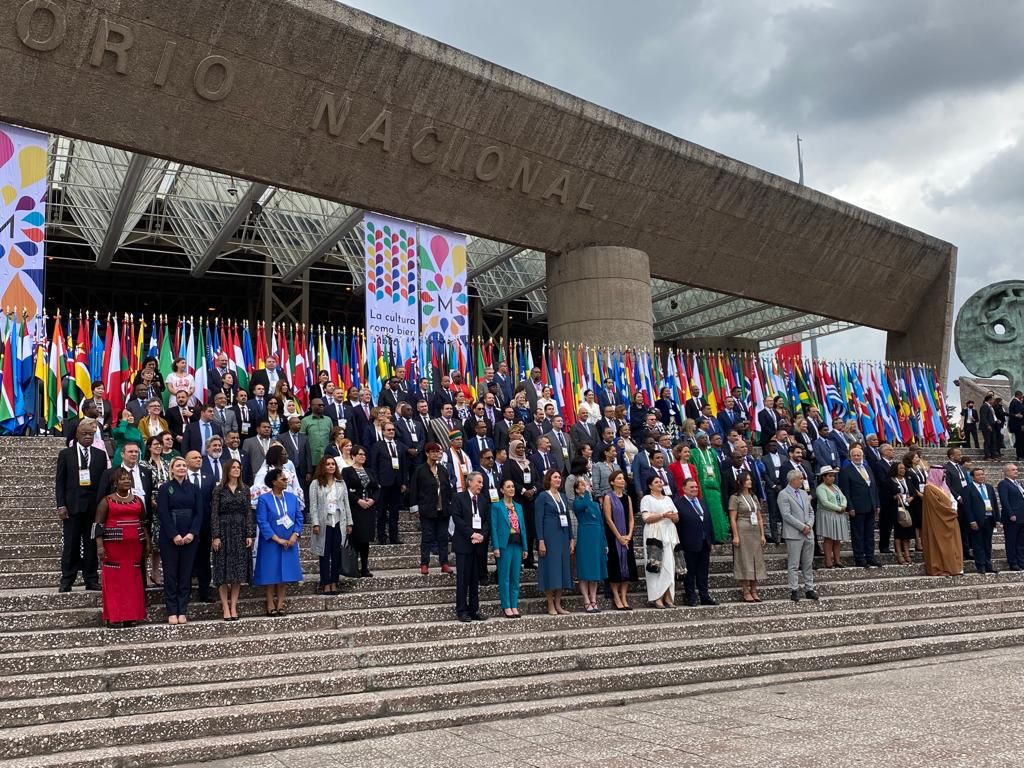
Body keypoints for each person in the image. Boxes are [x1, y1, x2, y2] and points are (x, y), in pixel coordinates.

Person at [55, 422, 107, 592]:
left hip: (93, 508)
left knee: (91, 543)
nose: (87, 437)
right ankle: (67, 579)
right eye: (84, 434)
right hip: (72, 506)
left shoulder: (99, 455)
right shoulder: (66, 454)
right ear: (77, 435)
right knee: (71, 543)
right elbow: (60, 482)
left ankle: (91, 578)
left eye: (90, 435)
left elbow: (103, 483)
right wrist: (61, 505)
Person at [94, 467, 147, 626]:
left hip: (134, 547)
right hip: (113, 547)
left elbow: (144, 523)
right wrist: (99, 546)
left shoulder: (138, 500)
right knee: (114, 582)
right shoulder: (107, 501)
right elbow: (97, 525)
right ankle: (114, 617)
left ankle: (131, 616)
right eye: (122, 479)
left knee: (132, 581)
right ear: (115, 482)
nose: (126, 481)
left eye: (128, 479)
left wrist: (148, 543)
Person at [156, 457, 202, 624]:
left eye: (184, 465)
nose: (182, 468)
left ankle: (182, 609)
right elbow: (163, 512)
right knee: (170, 574)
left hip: (189, 536)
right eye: (178, 466)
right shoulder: (165, 488)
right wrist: (174, 535)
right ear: (172, 469)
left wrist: (192, 533)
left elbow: (199, 513)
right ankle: (171, 610)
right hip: (170, 537)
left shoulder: (194, 488)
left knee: (185, 574)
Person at [253, 468, 304, 615]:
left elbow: (299, 518)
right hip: (271, 541)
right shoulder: (264, 499)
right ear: (274, 482)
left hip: (289, 541)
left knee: (285, 573)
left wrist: (295, 535)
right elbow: (262, 521)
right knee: (271, 573)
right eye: (283, 479)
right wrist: (277, 539)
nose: (286, 481)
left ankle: (281, 603)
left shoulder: (292, 498)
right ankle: (270, 602)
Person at [210, 458, 254, 620]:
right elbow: (214, 513)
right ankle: (225, 607)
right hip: (224, 531)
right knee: (223, 571)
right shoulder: (219, 490)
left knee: (237, 571)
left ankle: (234, 606)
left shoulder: (245, 489)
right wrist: (215, 536)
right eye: (233, 467)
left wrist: (250, 533)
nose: (236, 470)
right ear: (227, 470)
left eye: (238, 467)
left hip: (240, 531)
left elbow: (249, 512)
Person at [409, 443, 454, 575]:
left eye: (438, 451)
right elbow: (414, 490)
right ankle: (424, 563)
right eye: (433, 452)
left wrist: (451, 505)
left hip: (443, 510)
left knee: (443, 537)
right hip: (427, 509)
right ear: (427, 453)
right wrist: (414, 508)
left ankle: (444, 563)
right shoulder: (420, 470)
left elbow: (448, 489)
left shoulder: (443, 470)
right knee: (427, 537)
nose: (436, 454)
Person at [451, 472, 490, 622]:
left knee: (475, 580)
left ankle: (474, 609)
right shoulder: (459, 498)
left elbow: (486, 521)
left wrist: (482, 535)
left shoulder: (483, 500)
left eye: (482, 483)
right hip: (464, 544)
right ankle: (461, 610)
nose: (481, 485)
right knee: (463, 579)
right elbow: (457, 518)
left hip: (478, 545)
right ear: (470, 482)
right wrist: (471, 534)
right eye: (478, 482)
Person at [536, 469, 574, 615]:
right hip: (549, 536)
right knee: (551, 569)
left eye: (559, 477)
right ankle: (550, 604)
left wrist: (571, 538)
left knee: (563, 569)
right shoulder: (543, 496)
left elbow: (568, 518)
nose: (558, 479)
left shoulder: (563, 496)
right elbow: (538, 519)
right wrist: (541, 540)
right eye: (555, 477)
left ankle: (558, 604)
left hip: (563, 536)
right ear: (549, 479)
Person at [838, 445, 881, 568]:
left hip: (870, 506)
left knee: (870, 534)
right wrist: (849, 507)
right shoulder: (846, 470)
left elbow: (873, 487)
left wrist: (877, 504)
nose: (857, 457)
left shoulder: (867, 468)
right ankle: (860, 558)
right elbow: (846, 491)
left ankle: (870, 557)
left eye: (859, 455)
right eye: (854, 455)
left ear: (862, 456)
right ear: (850, 457)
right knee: (858, 534)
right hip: (857, 508)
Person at [640, 474, 679, 608]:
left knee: (669, 564)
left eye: (660, 481)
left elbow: (676, 517)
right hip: (655, 533)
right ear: (650, 485)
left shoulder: (668, 499)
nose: (659, 484)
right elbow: (646, 518)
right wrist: (663, 515)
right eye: (656, 482)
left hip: (669, 533)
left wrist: (673, 517)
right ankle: (657, 597)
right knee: (657, 565)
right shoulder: (647, 499)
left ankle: (668, 596)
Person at [778, 469, 817, 602]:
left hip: (808, 532)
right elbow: (786, 515)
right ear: (793, 480)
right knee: (794, 563)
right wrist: (802, 526)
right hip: (794, 533)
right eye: (800, 478)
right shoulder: (783, 494)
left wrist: (809, 525)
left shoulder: (803, 493)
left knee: (808, 563)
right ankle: (794, 589)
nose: (802, 481)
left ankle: (809, 588)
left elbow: (811, 511)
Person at [676, 477, 716, 606]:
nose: (695, 489)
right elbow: (678, 526)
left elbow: (708, 522)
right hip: (689, 543)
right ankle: (691, 597)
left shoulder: (701, 502)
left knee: (703, 572)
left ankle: (704, 596)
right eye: (691, 487)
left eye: (696, 487)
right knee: (690, 572)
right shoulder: (679, 504)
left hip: (704, 542)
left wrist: (711, 540)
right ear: (684, 489)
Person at [601, 470, 638, 610]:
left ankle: (624, 596)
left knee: (627, 566)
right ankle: (616, 597)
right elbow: (608, 519)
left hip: (626, 537)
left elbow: (631, 518)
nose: (622, 480)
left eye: (623, 478)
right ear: (612, 482)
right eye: (619, 478)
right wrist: (619, 536)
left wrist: (629, 535)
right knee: (615, 567)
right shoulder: (608, 497)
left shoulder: (627, 497)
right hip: (614, 537)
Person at [341, 445, 379, 577]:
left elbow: (377, 488)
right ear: (353, 456)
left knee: (366, 539)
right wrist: (358, 500)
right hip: (355, 508)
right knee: (356, 537)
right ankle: (354, 567)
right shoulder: (347, 471)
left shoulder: (370, 471)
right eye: (359, 454)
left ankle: (365, 567)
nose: (362, 457)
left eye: (364, 454)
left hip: (368, 508)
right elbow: (344, 489)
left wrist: (372, 500)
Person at [728, 471, 766, 603]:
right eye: (747, 480)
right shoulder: (735, 497)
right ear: (741, 482)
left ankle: (754, 589)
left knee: (756, 560)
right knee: (744, 559)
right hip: (742, 529)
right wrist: (735, 536)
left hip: (754, 530)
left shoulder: (754, 497)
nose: (750, 482)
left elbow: (760, 517)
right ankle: (745, 590)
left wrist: (762, 534)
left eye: (750, 479)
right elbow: (733, 519)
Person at [491, 478, 526, 618]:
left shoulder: (518, 506)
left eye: (513, 486)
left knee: (515, 577)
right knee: (504, 576)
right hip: (504, 545)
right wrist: (496, 546)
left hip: (517, 543)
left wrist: (525, 547)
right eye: (508, 487)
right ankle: (506, 605)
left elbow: (522, 527)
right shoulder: (497, 506)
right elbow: (493, 527)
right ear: (502, 490)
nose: (511, 489)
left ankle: (514, 604)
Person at [920, 467, 964, 577]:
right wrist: (951, 512)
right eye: (941, 473)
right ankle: (941, 567)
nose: (943, 475)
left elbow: (951, 501)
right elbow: (937, 506)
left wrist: (953, 510)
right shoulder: (929, 488)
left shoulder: (944, 486)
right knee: (940, 545)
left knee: (953, 544)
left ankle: (954, 567)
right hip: (938, 521)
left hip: (950, 519)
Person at [572, 478, 608, 613]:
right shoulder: (578, 502)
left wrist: (604, 542)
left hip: (596, 535)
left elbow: (601, 522)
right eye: (581, 484)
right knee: (585, 569)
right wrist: (587, 491)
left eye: (586, 484)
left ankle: (594, 599)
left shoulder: (595, 504)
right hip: (585, 535)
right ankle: (586, 600)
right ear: (576, 489)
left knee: (595, 570)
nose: (585, 486)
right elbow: (584, 504)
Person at [503, 439, 539, 568]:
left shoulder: (530, 463)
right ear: (512, 448)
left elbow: (537, 480)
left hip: (530, 501)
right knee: (517, 529)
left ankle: (529, 558)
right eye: (518, 448)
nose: (521, 450)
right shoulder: (509, 463)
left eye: (523, 447)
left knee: (529, 530)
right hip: (517, 500)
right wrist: (523, 491)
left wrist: (533, 490)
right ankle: (517, 558)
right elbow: (508, 480)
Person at [691, 432, 726, 543]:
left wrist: (719, 484)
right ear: (697, 440)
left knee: (717, 512)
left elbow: (717, 470)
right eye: (702, 438)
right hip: (701, 487)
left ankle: (719, 536)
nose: (705, 440)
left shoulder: (712, 452)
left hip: (714, 486)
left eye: (706, 437)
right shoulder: (694, 453)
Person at [964, 467, 1000, 574]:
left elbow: (994, 503)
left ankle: (988, 565)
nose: (981, 477)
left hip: (989, 519)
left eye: (982, 474)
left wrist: (997, 518)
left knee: (987, 544)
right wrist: (971, 520)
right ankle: (981, 566)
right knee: (978, 544)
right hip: (977, 520)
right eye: (978, 475)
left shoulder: (988, 487)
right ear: (973, 477)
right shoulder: (968, 488)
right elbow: (967, 506)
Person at [814, 465, 849, 568]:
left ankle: (837, 560)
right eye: (830, 476)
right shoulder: (820, 488)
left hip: (838, 515)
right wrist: (838, 508)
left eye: (833, 476)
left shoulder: (836, 487)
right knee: (829, 538)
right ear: (824, 477)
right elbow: (824, 502)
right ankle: (828, 560)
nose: (832, 478)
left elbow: (843, 497)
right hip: (828, 515)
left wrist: (843, 506)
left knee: (837, 539)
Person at [998, 463, 1024, 571]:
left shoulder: (1018, 483)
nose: (1016, 471)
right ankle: (1013, 562)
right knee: (1012, 541)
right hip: (1012, 517)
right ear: (1006, 472)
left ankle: (1021, 561)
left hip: (1022, 516)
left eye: (1016, 469)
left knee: (1021, 541)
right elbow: (1005, 500)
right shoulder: (1004, 484)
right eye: (1013, 470)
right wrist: (1011, 513)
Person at [889, 462, 914, 565]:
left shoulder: (907, 480)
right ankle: (899, 554)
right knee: (899, 534)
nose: (902, 470)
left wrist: (911, 498)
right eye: (900, 468)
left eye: (903, 468)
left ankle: (907, 553)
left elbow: (913, 492)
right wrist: (895, 497)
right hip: (897, 509)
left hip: (907, 507)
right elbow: (887, 494)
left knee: (907, 533)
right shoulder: (891, 481)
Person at [904, 452, 929, 546]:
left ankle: (923, 541)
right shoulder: (908, 470)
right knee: (917, 521)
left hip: (923, 494)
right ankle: (918, 543)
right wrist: (919, 494)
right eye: (915, 457)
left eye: (918, 457)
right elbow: (911, 485)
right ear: (910, 459)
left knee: (922, 520)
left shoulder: (920, 468)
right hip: (916, 497)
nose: (918, 459)